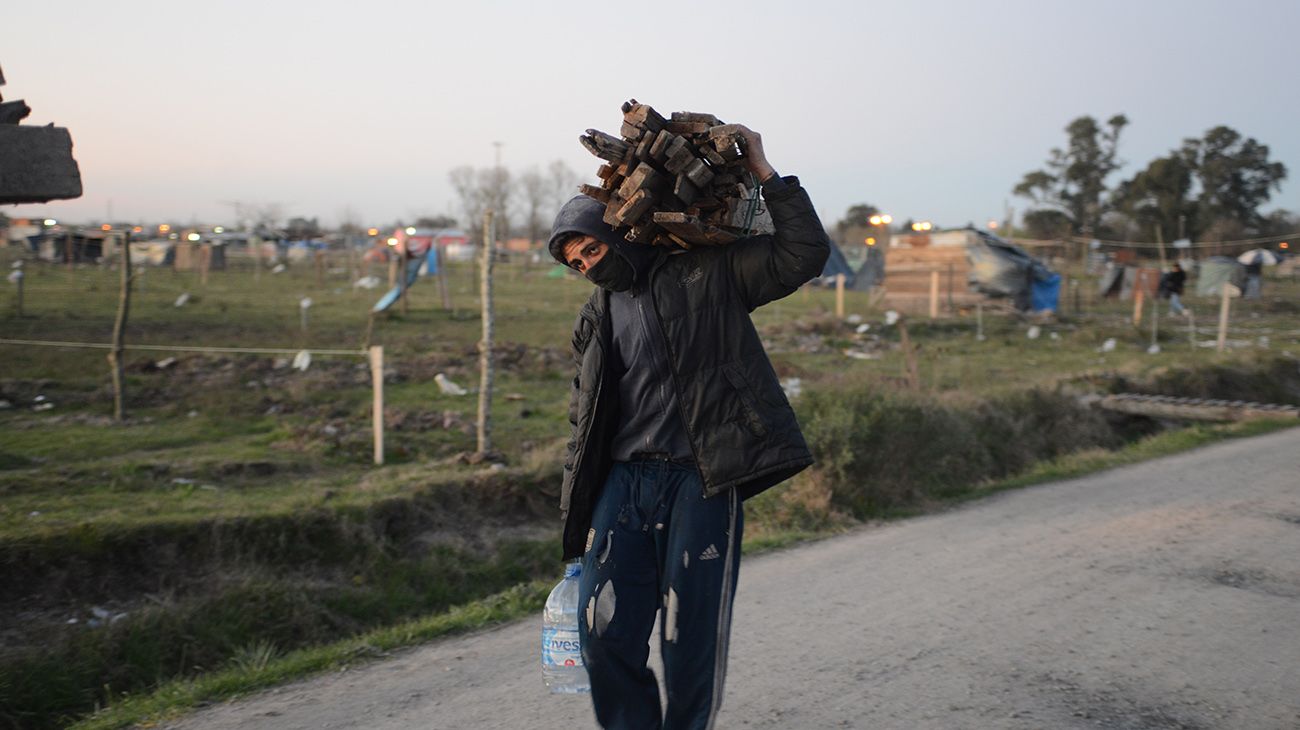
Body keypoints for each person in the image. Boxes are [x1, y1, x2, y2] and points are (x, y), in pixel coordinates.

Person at [547, 124, 829, 730]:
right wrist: (575, 526)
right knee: (604, 636)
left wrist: (763, 170)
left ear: (614, 234)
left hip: (701, 479)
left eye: (591, 251)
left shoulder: (709, 274)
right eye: (575, 264)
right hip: (621, 484)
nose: (588, 268)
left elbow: (803, 255)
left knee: (688, 639)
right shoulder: (595, 319)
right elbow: (584, 420)